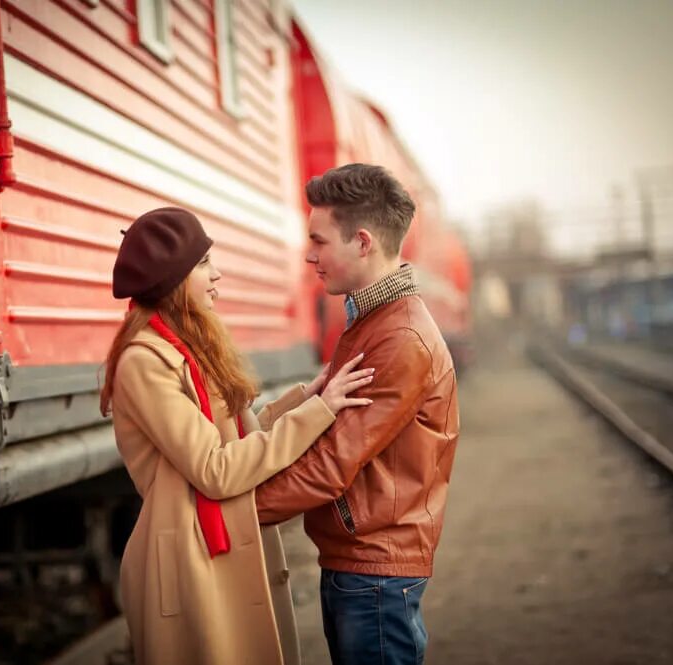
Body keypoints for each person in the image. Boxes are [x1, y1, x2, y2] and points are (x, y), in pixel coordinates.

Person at [100, 206, 373, 665]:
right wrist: (320, 414)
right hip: (190, 565)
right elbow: (216, 470)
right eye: (204, 264)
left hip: (214, 550)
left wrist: (308, 396)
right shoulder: (145, 363)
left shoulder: (187, 345)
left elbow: (236, 441)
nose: (217, 274)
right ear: (172, 278)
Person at [255, 164, 460, 665]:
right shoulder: (373, 320)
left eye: (319, 241)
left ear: (362, 242)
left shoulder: (398, 339)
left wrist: (231, 510)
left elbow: (330, 464)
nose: (309, 255)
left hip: (375, 573)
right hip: (362, 562)